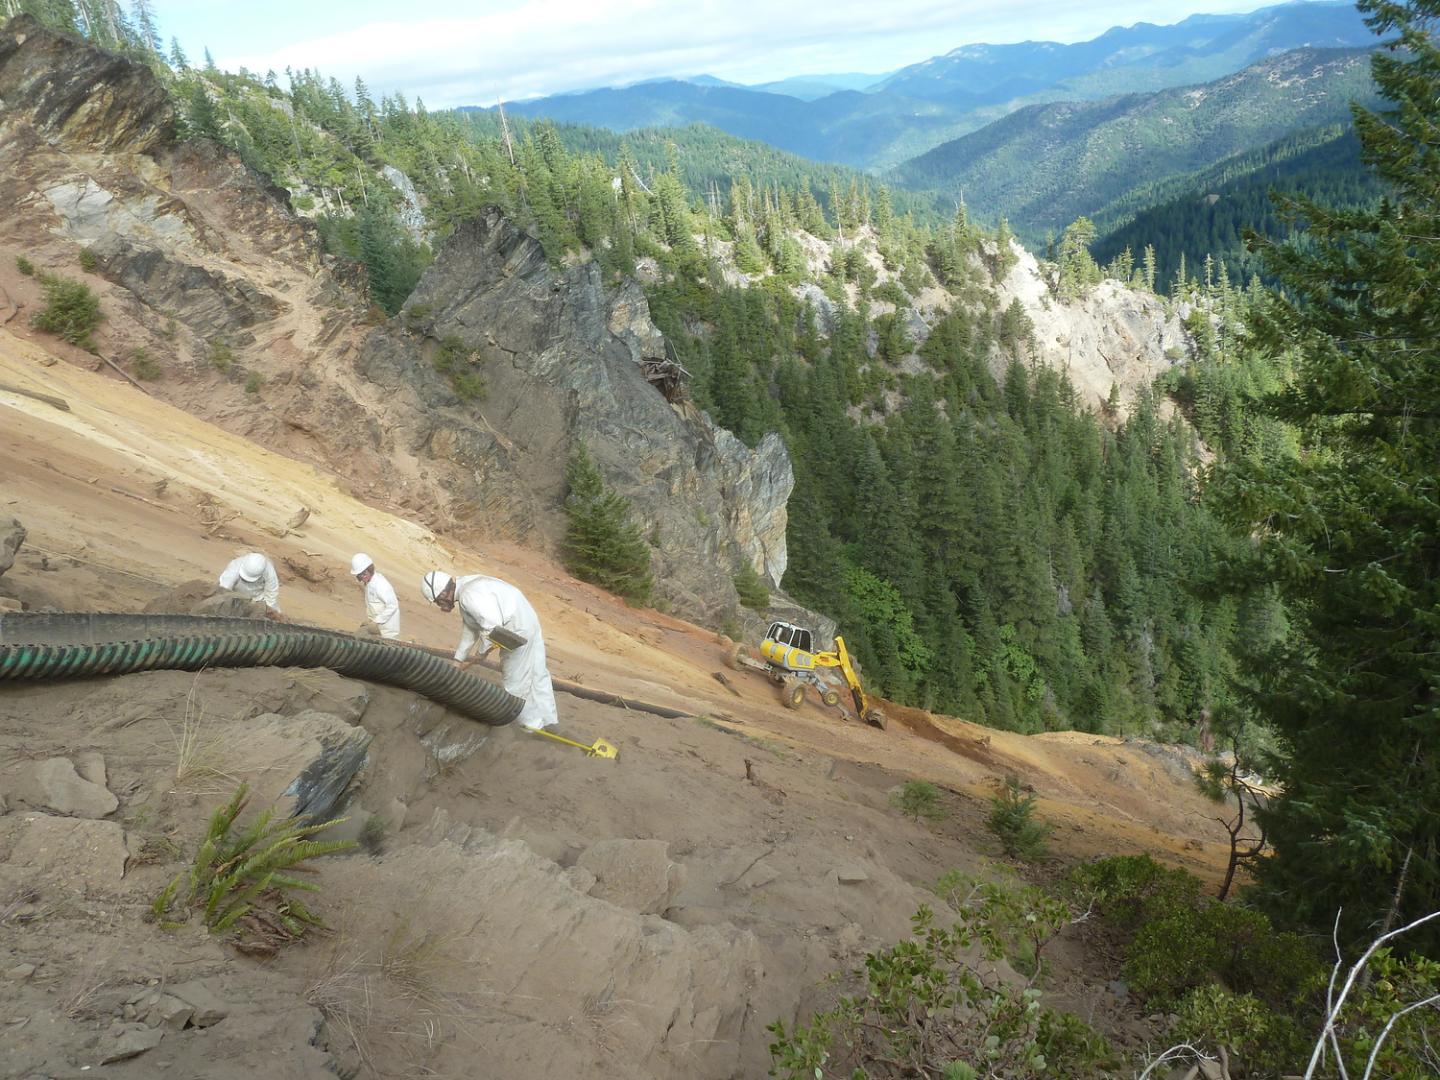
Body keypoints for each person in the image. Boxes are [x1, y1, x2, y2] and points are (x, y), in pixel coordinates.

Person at [421, 569, 558, 731]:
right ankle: (548, 720)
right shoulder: (466, 587)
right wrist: (458, 661)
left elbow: (493, 627)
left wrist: (481, 652)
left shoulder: (468, 596)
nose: (440, 606)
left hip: (516, 628)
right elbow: (471, 628)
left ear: (443, 593)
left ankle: (529, 728)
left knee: (515, 682)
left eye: (438, 601)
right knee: (537, 673)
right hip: (526, 619)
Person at [351, 553, 400, 639]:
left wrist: (377, 621)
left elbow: (393, 605)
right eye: (359, 576)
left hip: (387, 629)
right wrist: (371, 621)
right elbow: (373, 605)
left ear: (370, 570)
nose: (362, 578)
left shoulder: (381, 585)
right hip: (376, 627)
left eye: (364, 574)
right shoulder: (368, 583)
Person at [217, 552, 281, 617]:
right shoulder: (235, 566)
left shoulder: (270, 572)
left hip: (258, 600)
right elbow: (224, 589)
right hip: (236, 596)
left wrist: (267, 611)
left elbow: (271, 595)